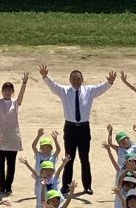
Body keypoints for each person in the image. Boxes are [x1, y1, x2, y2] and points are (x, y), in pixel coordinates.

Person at [41, 67, 114, 196]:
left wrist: (109, 83)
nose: (76, 81)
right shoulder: (64, 91)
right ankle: (66, 186)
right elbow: (53, 86)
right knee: (69, 158)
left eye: (78, 79)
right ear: (70, 80)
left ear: (82, 80)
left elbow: (100, 88)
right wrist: (45, 77)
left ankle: (87, 186)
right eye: (73, 79)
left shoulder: (89, 90)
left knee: (84, 158)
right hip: (70, 128)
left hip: (84, 128)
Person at [0, 76, 30, 199]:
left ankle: (8, 187)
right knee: (0, 164)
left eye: (9, 90)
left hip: (12, 137)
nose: (7, 92)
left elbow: (21, 96)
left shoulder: (15, 103)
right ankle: (2, 187)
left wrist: (24, 83)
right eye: (5, 90)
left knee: (11, 165)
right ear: (2, 92)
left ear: (12, 92)